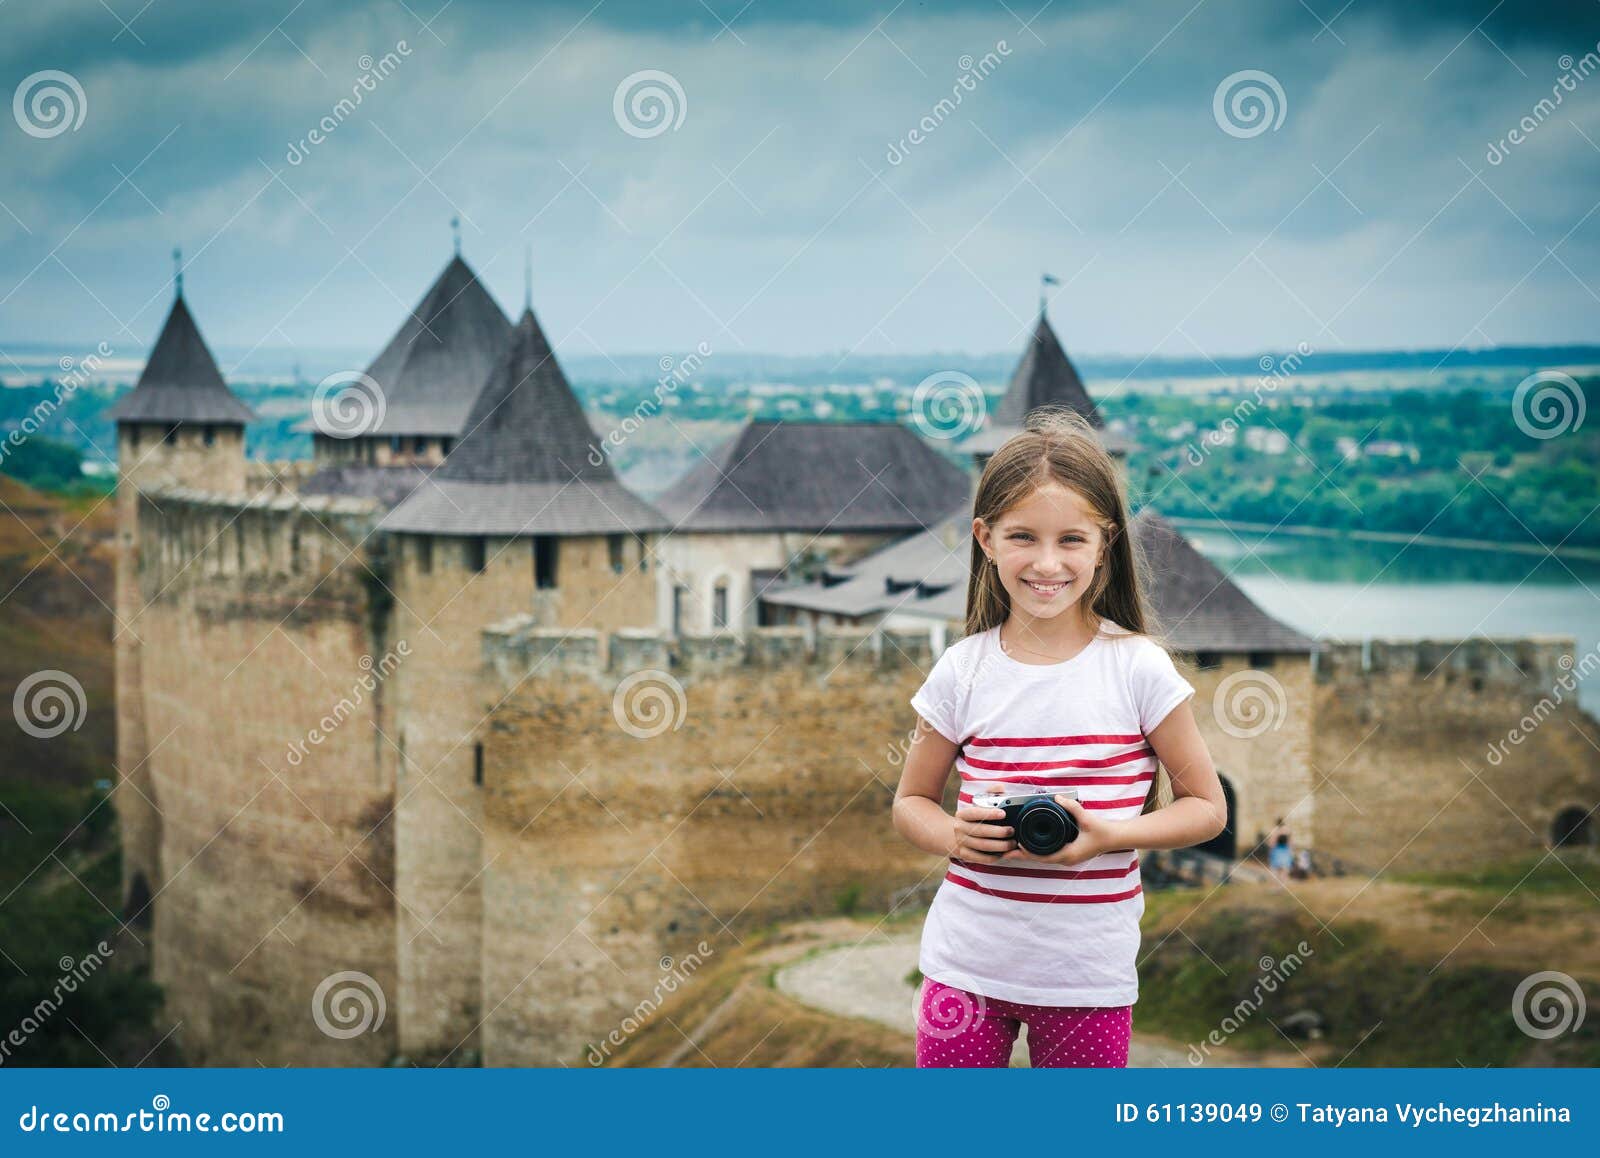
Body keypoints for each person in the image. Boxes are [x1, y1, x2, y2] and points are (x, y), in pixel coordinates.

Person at [892, 407, 1227, 1068]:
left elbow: (1207, 808)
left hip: (1086, 978)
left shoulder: (1137, 668)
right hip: (966, 968)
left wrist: (1107, 836)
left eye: (1071, 539)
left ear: (1106, 542)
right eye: (1023, 537)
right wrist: (954, 836)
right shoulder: (962, 670)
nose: (1047, 563)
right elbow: (910, 803)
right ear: (985, 538)